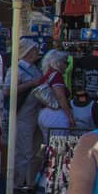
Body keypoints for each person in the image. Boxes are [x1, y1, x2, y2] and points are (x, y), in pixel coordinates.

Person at [4, 42, 46, 193]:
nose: (37, 52)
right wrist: (30, 84)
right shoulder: (16, 69)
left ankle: (28, 180)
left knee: (34, 149)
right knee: (23, 149)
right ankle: (17, 183)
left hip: (35, 113)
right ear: (27, 52)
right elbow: (7, 91)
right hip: (22, 114)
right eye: (34, 50)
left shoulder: (35, 69)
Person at [34, 51, 74, 184]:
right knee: (58, 151)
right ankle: (54, 184)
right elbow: (61, 97)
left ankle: (45, 183)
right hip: (55, 114)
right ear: (57, 62)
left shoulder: (46, 75)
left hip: (44, 114)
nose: (66, 65)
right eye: (65, 62)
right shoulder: (56, 76)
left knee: (50, 150)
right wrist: (69, 116)